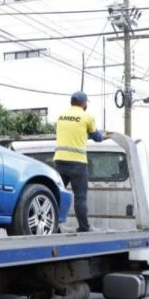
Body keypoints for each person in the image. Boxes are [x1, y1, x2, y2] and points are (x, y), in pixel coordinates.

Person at [53, 91, 103, 233]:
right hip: (77, 164)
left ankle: (53, 226)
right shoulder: (87, 117)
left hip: (59, 161)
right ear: (84, 103)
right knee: (80, 198)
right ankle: (83, 227)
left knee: (56, 195)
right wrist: (103, 134)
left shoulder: (61, 116)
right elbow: (97, 137)